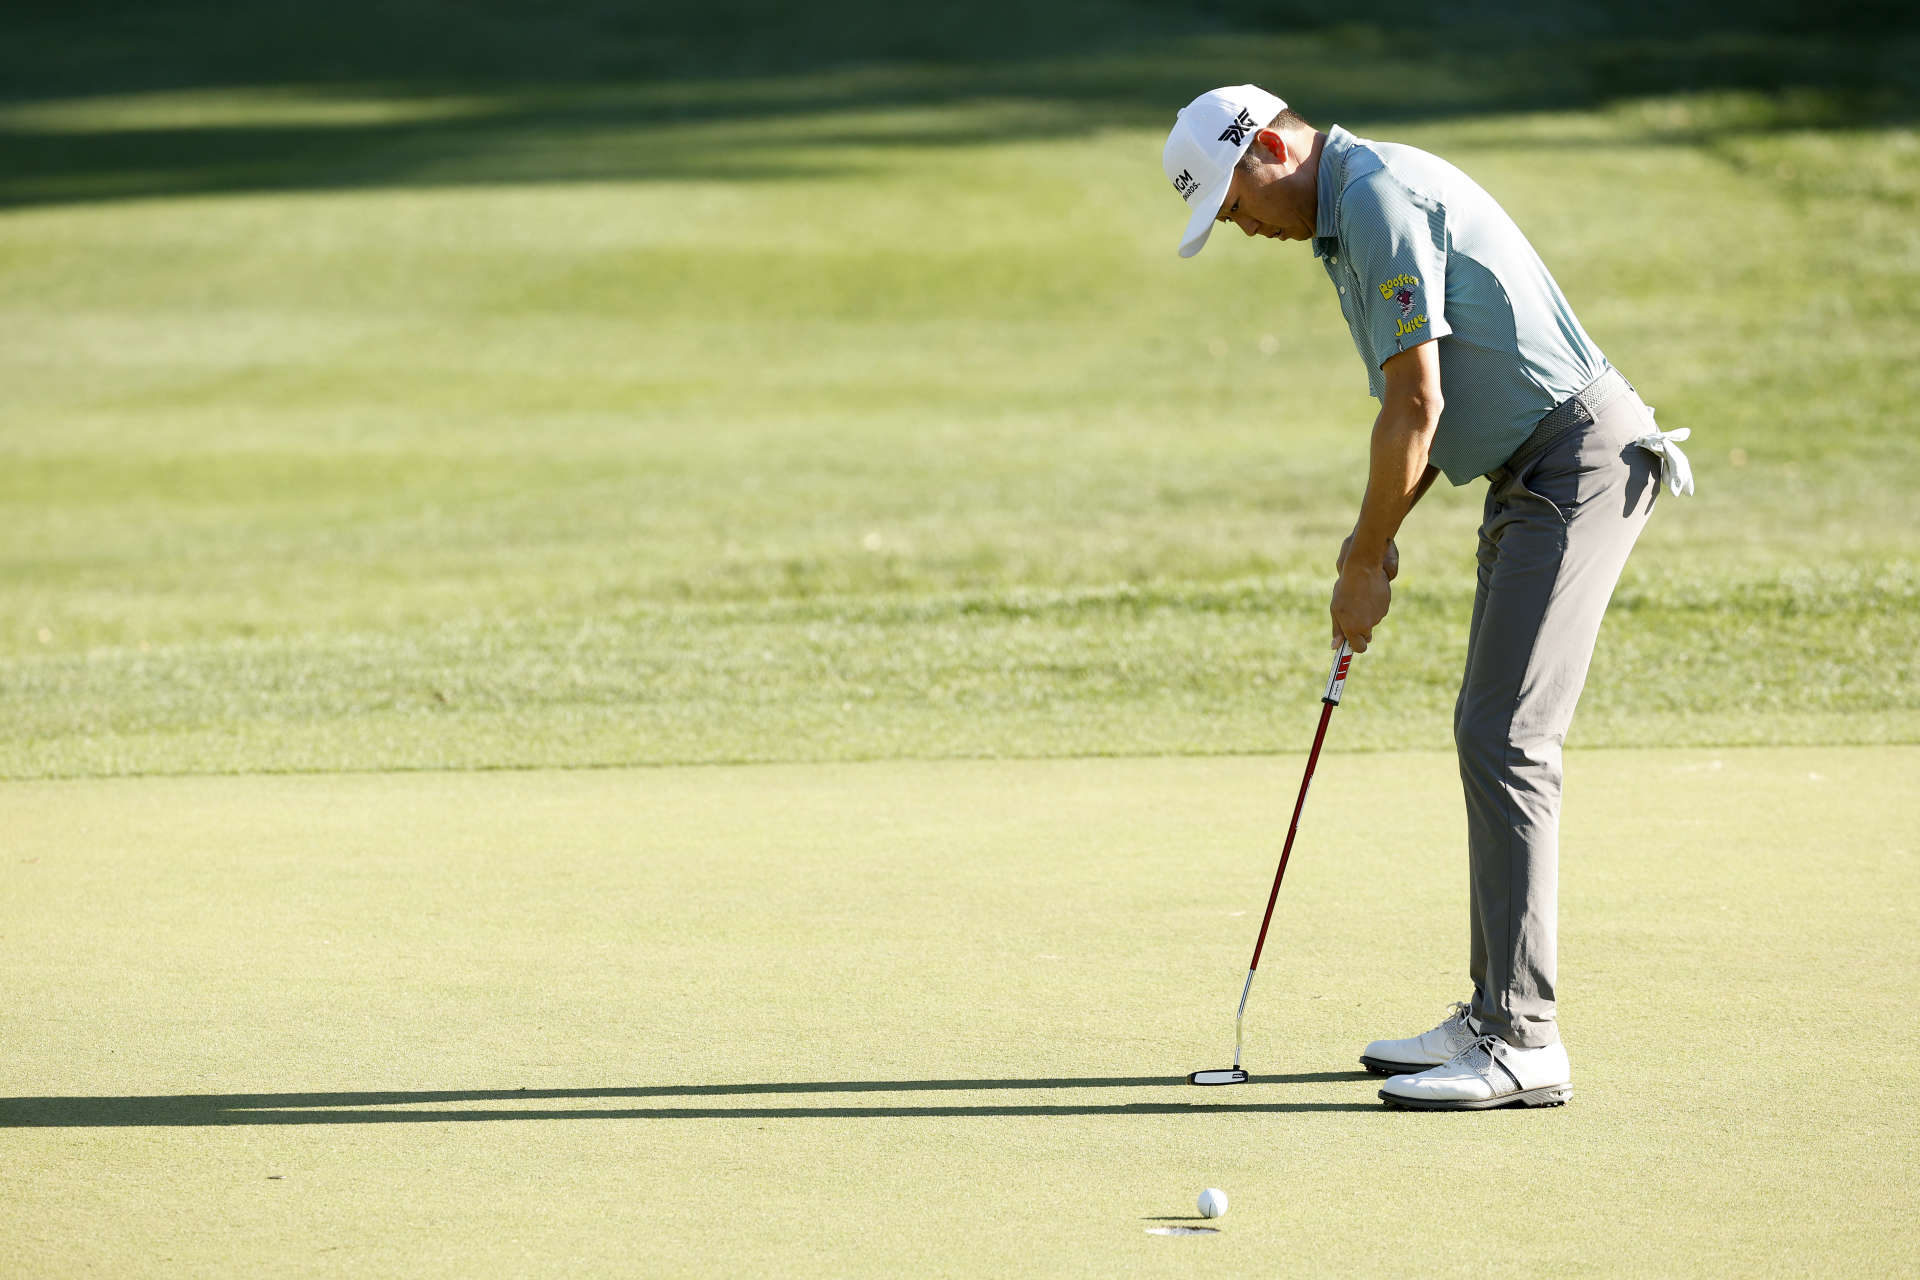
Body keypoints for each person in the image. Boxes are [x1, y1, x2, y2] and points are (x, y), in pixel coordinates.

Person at [1161, 85, 1693, 1110]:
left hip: (1577, 458)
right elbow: (1408, 410)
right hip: (1530, 471)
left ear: (1271, 145)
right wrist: (1375, 537)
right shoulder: (1345, 219)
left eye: (1233, 198)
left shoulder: (1376, 197)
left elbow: (1419, 399)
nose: (1236, 222)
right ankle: (1492, 1010)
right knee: (1488, 727)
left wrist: (1366, 559)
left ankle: (1522, 1037)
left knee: (1508, 735)